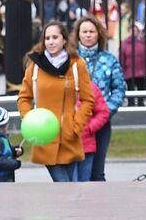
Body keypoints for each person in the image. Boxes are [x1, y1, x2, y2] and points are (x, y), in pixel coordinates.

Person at [18, 21, 95, 182]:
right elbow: (24, 98)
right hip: (45, 136)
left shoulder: (77, 65)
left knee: (71, 189)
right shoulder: (35, 66)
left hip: (69, 136)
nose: (50, 42)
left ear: (64, 40)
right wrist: (30, 122)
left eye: (55, 37)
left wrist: (76, 125)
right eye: (47, 38)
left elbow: (88, 99)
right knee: (63, 184)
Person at [72, 16, 126, 181]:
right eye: (84, 31)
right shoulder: (70, 59)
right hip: (75, 123)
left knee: (97, 171)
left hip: (100, 123)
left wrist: (106, 112)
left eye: (91, 31)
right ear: (78, 34)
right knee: (74, 170)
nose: (88, 35)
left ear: (98, 34)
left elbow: (119, 89)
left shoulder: (109, 60)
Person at [76, 82, 111, 182]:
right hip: (67, 145)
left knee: (85, 180)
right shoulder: (60, 85)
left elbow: (103, 112)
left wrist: (89, 128)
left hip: (86, 145)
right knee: (67, 182)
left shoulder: (90, 87)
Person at [120, 21, 146, 92]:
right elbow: (122, 58)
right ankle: (131, 103)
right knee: (130, 92)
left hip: (142, 72)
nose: (133, 32)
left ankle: (141, 103)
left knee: (142, 92)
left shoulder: (144, 43)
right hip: (129, 72)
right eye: (132, 30)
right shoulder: (124, 43)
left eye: (135, 30)